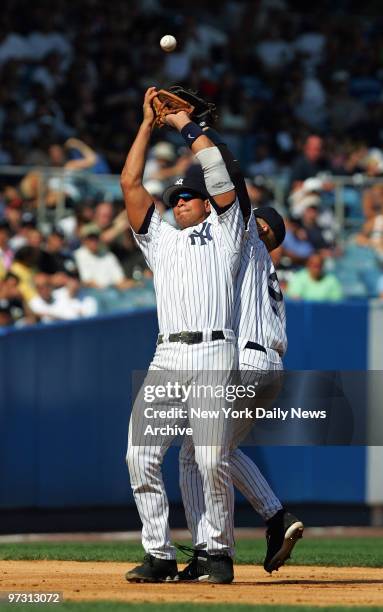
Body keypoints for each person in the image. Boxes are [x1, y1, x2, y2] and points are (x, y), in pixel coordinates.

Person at [122, 87, 246, 584]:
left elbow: (216, 168)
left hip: (216, 348)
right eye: (176, 197)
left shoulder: (228, 230)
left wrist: (184, 126)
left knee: (212, 458)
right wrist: (146, 127)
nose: (183, 200)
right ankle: (158, 553)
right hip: (169, 353)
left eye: (190, 195)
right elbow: (130, 181)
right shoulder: (160, 239)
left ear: (206, 204)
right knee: (140, 454)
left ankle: (215, 553)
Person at [176, 125, 303, 581]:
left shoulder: (246, 238)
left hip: (244, 362)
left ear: (260, 228)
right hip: (270, 367)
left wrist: (198, 132)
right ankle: (275, 519)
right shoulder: (265, 265)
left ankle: (217, 552)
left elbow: (228, 178)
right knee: (216, 449)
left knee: (195, 454)